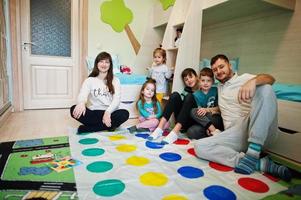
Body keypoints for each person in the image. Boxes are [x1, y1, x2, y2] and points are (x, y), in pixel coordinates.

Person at [194, 54, 291, 181]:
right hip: (235, 135)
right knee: (200, 146)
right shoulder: (219, 87)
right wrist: (208, 110)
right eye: (215, 70)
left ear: (230, 65)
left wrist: (253, 82)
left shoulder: (244, 78)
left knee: (266, 88)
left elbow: (270, 79)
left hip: (258, 130)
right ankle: (259, 163)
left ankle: (254, 150)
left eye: (221, 66)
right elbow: (221, 107)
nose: (218, 71)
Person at [70, 52, 129, 134]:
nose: (104, 64)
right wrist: (81, 103)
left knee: (124, 113)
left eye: (107, 62)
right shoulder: (89, 80)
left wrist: (107, 112)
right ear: (96, 63)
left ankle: (89, 128)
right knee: (73, 109)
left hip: (110, 112)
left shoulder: (115, 80)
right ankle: (109, 126)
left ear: (110, 65)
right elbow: (82, 94)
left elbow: (116, 100)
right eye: (101, 61)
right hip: (95, 113)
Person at [149, 68, 200, 143]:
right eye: (186, 79)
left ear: (196, 76)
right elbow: (182, 106)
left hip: (192, 120)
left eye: (191, 77)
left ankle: (174, 133)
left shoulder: (202, 88)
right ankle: (159, 128)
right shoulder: (186, 91)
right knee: (175, 95)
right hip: (182, 119)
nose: (189, 80)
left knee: (189, 97)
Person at [190, 67, 224, 138]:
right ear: (199, 81)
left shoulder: (216, 91)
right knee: (191, 132)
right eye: (203, 80)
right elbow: (199, 112)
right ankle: (213, 131)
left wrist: (207, 110)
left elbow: (219, 109)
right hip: (205, 120)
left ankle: (212, 130)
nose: (205, 83)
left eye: (208, 81)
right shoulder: (196, 94)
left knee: (194, 112)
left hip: (215, 118)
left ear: (213, 81)